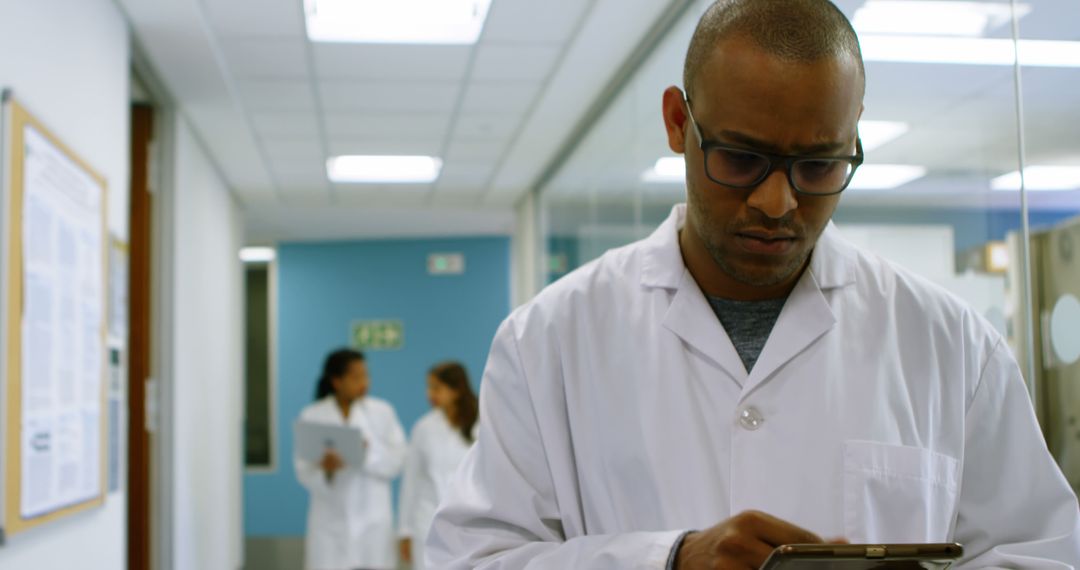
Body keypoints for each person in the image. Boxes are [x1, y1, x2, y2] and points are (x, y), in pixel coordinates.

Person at [426, 1, 1080, 568]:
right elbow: (473, 559)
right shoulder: (550, 340)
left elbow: (1040, 553)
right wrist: (668, 561)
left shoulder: (954, 345)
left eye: (820, 165)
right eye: (740, 158)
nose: (777, 201)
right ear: (678, 123)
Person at [295, 348, 407, 570]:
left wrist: (365, 455)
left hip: (373, 520)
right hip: (330, 524)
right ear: (337, 381)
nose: (364, 382)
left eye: (366, 375)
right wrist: (327, 470)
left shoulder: (382, 412)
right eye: (356, 377)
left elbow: (398, 460)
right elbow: (303, 470)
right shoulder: (313, 415)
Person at [398, 362, 480, 570]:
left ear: (456, 389)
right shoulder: (423, 427)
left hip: (472, 525)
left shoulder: (483, 422)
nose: (430, 393)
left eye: (436, 387)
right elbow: (411, 481)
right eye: (429, 387)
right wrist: (405, 530)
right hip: (427, 522)